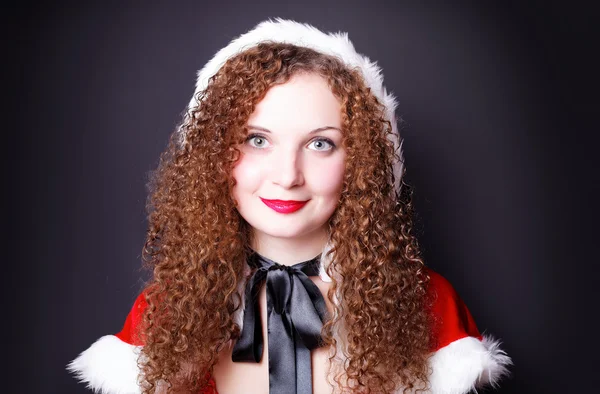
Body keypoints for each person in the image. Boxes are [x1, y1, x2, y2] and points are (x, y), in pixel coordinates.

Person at [68, 19, 511, 394]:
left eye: (321, 144)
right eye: (256, 140)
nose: (287, 175)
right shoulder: (164, 312)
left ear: (362, 163)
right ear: (213, 156)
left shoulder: (429, 305)